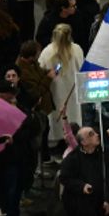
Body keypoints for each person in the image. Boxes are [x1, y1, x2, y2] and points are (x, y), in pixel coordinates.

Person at [38, 23, 82, 151]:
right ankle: (72, 137)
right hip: (72, 91)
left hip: (55, 90)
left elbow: (40, 69)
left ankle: (57, 139)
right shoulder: (77, 49)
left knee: (56, 114)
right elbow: (82, 67)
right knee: (72, 113)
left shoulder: (47, 51)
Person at [59, 126, 109, 216]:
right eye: (91, 134)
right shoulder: (72, 158)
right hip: (80, 203)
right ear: (83, 142)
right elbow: (64, 178)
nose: (97, 135)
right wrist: (81, 186)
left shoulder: (105, 154)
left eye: (95, 132)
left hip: (102, 202)